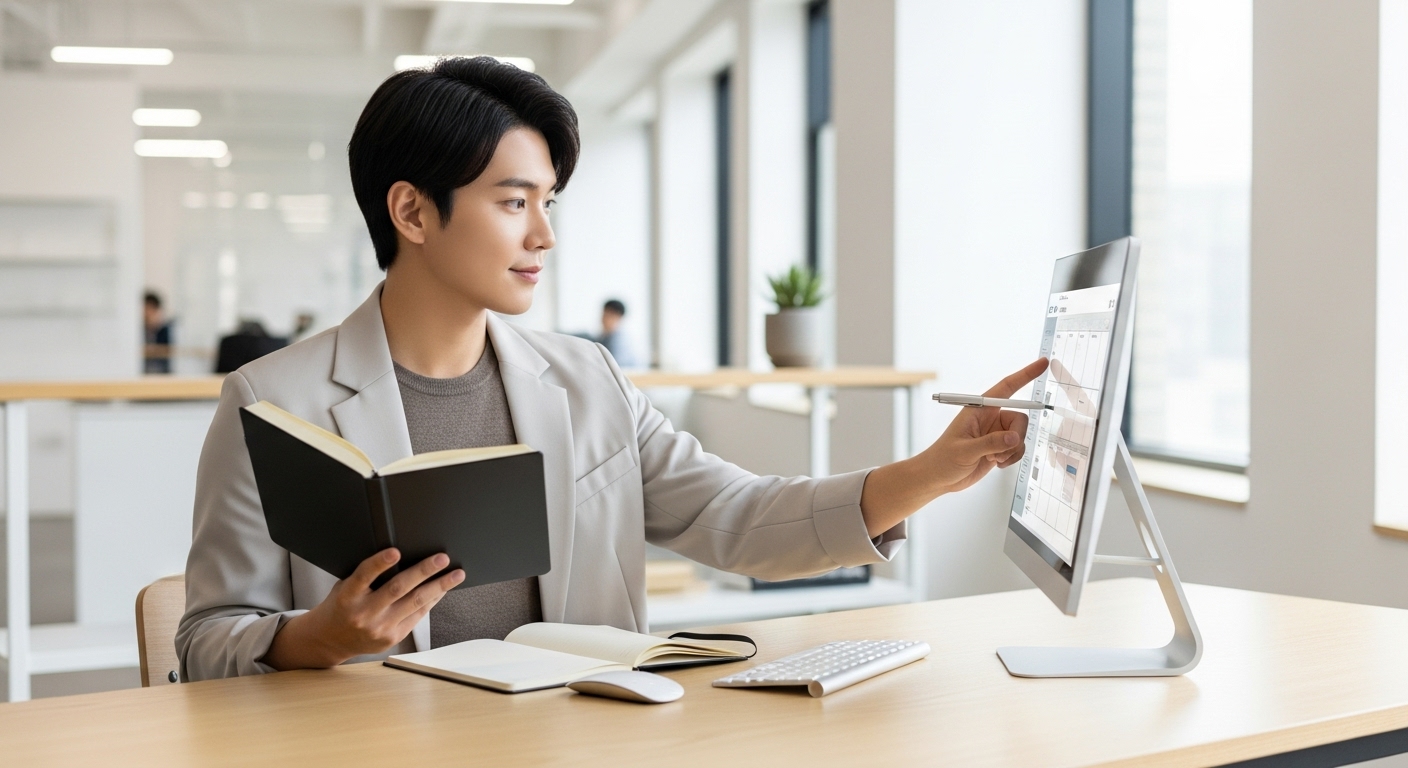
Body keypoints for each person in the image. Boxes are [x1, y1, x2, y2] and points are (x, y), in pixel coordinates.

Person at [177, 57, 1046, 680]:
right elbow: (208, 639)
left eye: (547, 203)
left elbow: (739, 519)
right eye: (514, 202)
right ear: (411, 210)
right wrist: (320, 638)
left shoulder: (587, 380)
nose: (544, 236)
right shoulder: (272, 399)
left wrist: (930, 472)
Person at [596, 298, 637, 367]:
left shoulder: (620, 340)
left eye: (609, 315)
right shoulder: (605, 337)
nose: (604, 319)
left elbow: (615, 366)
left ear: (618, 317)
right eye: (604, 314)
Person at [143, 291, 172, 374]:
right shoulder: (137, 331)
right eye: (146, 308)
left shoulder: (164, 330)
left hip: (161, 373)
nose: (147, 313)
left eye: (150, 308)